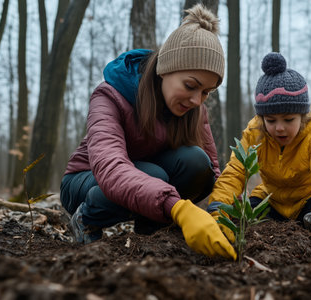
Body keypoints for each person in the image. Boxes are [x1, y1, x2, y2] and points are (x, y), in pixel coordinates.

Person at [60, 4, 236, 260]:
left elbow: (213, 170)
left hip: (149, 178)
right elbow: (111, 168)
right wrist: (177, 208)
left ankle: (151, 232)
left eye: (206, 92)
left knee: (199, 164)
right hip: (88, 180)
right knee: (155, 174)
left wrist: (220, 211)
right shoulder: (109, 96)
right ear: (165, 69)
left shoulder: (194, 108)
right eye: (190, 86)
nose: (198, 100)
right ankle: (86, 218)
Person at [207, 52, 311, 247]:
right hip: (271, 200)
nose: (280, 128)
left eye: (288, 119)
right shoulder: (255, 133)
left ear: (302, 116)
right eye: (271, 121)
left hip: (307, 199)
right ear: (261, 118)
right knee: (247, 215)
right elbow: (235, 171)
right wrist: (217, 212)